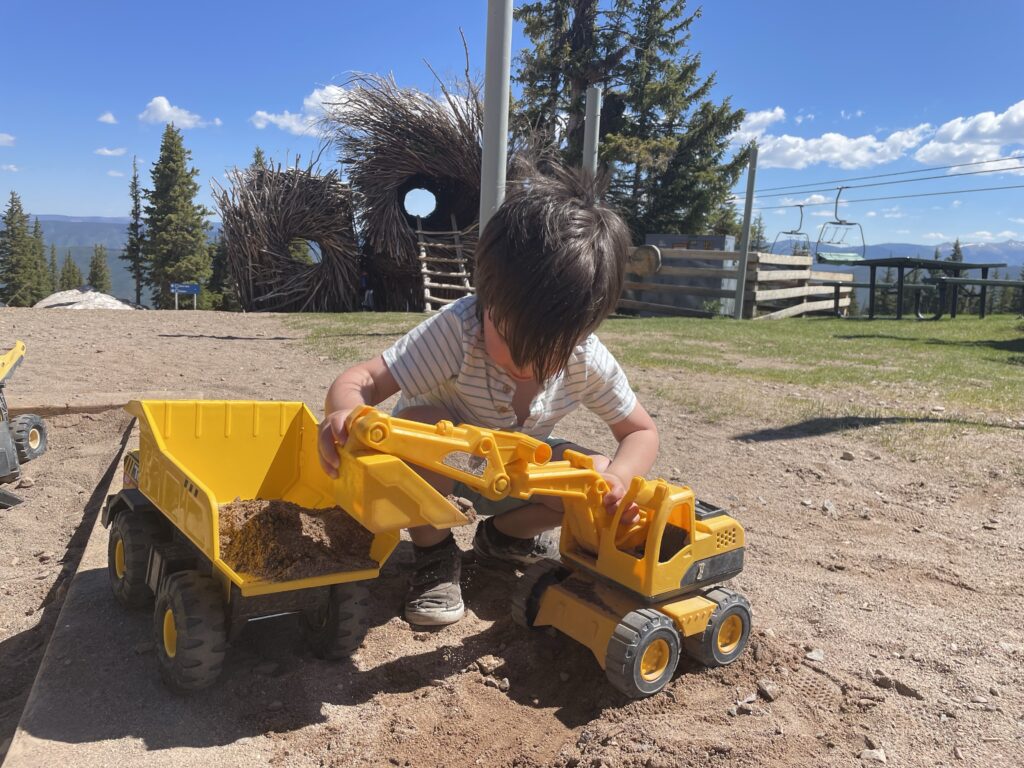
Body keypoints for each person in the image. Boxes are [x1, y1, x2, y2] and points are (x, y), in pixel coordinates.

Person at [318, 165, 659, 627]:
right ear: (486, 297)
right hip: (446, 469)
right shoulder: (460, 330)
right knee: (420, 422)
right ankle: (435, 555)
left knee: (593, 474)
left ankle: (502, 537)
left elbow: (640, 431)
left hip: (513, 477)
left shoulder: (586, 358)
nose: (521, 364)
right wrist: (345, 412)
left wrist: (618, 478)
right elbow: (364, 379)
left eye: (544, 354)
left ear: (581, 331)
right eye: (507, 337)